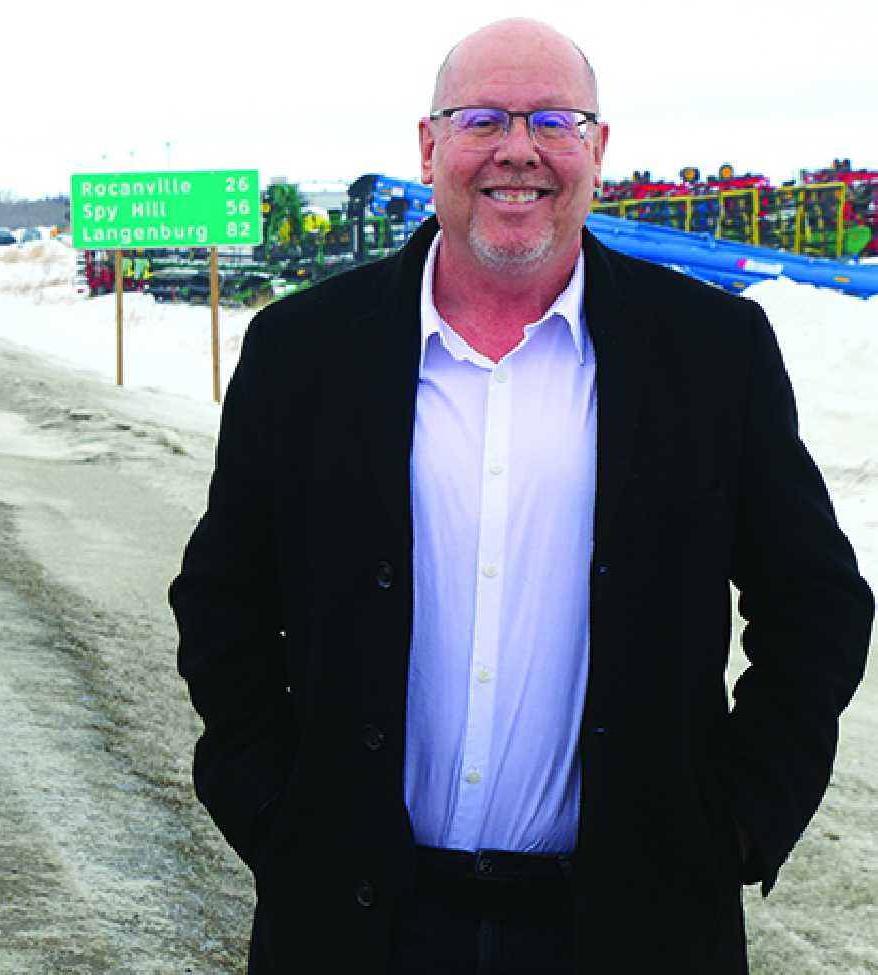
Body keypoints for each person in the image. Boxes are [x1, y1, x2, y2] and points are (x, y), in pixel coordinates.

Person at [169, 17, 872, 975]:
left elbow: (817, 606)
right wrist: (272, 806)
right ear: (428, 145)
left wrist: (738, 821)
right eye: (483, 118)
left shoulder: (712, 356)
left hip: (628, 927)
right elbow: (222, 602)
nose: (519, 150)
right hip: (357, 921)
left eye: (555, 120)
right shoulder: (302, 354)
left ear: (599, 148)